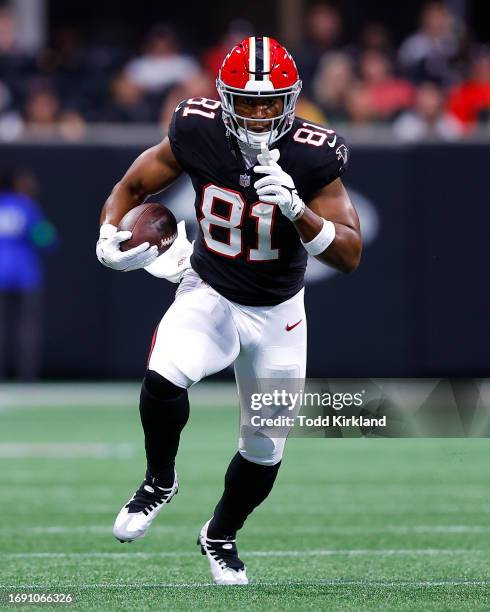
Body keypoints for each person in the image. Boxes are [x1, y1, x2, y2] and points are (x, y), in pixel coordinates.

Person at [96, 36, 361, 585]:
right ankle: (159, 481)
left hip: (279, 312)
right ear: (223, 98)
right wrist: (106, 233)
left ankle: (219, 534)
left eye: (271, 102)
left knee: (263, 453)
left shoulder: (313, 154)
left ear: (292, 99)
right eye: (248, 101)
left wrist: (297, 211)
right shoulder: (197, 127)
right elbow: (132, 185)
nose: (261, 114)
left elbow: (350, 252)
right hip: (210, 290)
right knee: (164, 378)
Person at [0, 169, 56, 380]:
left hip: (1, 273)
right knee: (27, 330)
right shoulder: (26, 206)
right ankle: (27, 376)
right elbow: (47, 239)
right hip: (25, 274)